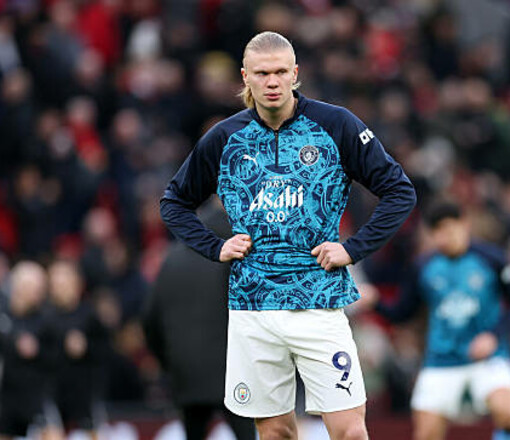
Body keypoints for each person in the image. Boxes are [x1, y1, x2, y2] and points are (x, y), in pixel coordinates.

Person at [160, 31, 416, 440]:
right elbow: (174, 202)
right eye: (262, 73)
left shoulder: (336, 125)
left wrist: (353, 249)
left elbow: (399, 191)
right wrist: (215, 246)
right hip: (253, 308)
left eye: (280, 72)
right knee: (276, 432)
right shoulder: (225, 138)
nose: (272, 81)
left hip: (319, 302)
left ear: (295, 73)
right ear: (245, 77)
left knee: (350, 431)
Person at [369, 202, 510, 440]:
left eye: (449, 229)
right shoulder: (423, 267)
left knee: (508, 414)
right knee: (426, 434)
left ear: (465, 225)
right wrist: (377, 302)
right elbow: (403, 312)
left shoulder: (492, 259)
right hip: (442, 360)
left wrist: (494, 335)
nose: (445, 237)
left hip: (488, 358)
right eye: (438, 232)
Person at [143, 206, 256, 440]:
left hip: (186, 374)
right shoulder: (238, 254)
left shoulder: (171, 258)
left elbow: (149, 321)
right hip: (234, 372)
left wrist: (169, 363)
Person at [0, 261, 62, 440]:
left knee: (52, 434)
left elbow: (57, 358)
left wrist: (37, 350)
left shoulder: (48, 319)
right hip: (6, 396)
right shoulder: (3, 315)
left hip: (37, 396)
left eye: (39, 287)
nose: (35, 292)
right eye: (30, 286)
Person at [46, 258, 107, 438]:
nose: (60, 288)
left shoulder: (90, 315)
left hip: (86, 393)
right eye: (56, 283)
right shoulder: (45, 317)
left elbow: (106, 352)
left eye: (64, 282)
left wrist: (86, 347)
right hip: (54, 392)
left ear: (77, 284)